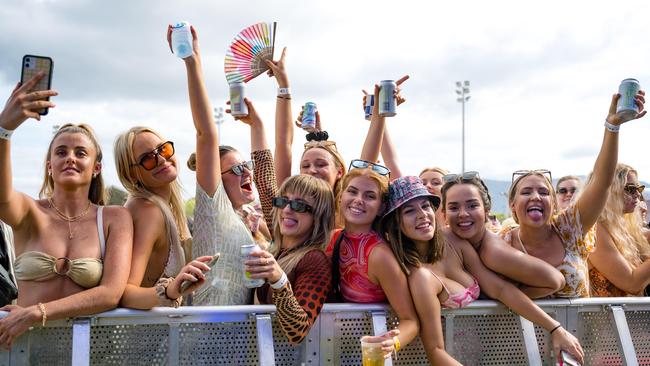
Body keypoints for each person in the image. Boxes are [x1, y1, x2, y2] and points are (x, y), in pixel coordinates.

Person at [381, 176, 584, 364]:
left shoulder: (453, 240)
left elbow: (500, 290)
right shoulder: (420, 277)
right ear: (396, 223)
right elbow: (435, 352)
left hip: (491, 351)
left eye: (425, 206)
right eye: (409, 211)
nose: (422, 215)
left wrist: (555, 328)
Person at [0, 74, 132, 347]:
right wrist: (4, 130)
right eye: (61, 152)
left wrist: (37, 312)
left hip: (88, 350)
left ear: (96, 168)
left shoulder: (114, 218)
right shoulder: (28, 211)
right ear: (50, 165)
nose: (70, 157)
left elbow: (110, 294)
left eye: (81, 153)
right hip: (24, 347)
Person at [502, 90, 646, 298]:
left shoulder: (569, 230)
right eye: (526, 192)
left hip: (575, 331)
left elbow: (602, 182)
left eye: (543, 192)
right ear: (513, 204)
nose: (536, 197)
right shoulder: (500, 242)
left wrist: (612, 126)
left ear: (552, 203)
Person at [173, 26, 276, 305]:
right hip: (202, 339)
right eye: (237, 169)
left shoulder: (249, 220)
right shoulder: (211, 210)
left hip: (235, 341)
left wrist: (258, 125)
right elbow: (206, 134)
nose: (247, 173)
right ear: (216, 181)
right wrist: (193, 62)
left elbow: (268, 173)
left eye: (247, 166)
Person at [328, 167, 419, 359]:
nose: (358, 199)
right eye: (352, 191)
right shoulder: (333, 238)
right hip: (337, 348)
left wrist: (390, 343)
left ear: (380, 208)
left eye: (370, 196)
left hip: (370, 355)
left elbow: (410, 321)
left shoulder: (379, 256)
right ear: (340, 197)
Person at [440, 172, 565, 298]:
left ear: (487, 210)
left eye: (472, 206)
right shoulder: (445, 242)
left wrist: (505, 301)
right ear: (444, 214)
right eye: (454, 208)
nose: (463, 213)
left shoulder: (492, 250)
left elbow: (555, 281)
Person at [245, 174, 334, 345]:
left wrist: (279, 281)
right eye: (283, 201)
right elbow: (264, 181)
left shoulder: (315, 259)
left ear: (318, 216)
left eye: (299, 205)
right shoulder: (275, 251)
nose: (286, 210)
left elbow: (298, 331)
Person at [589, 164, 650, 296]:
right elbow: (632, 283)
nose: (638, 194)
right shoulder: (594, 228)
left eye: (639, 188)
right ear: (609, 191)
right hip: (603, 315)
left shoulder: (621, 226)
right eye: (630, 189)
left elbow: (644, 237)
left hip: (622, 314)